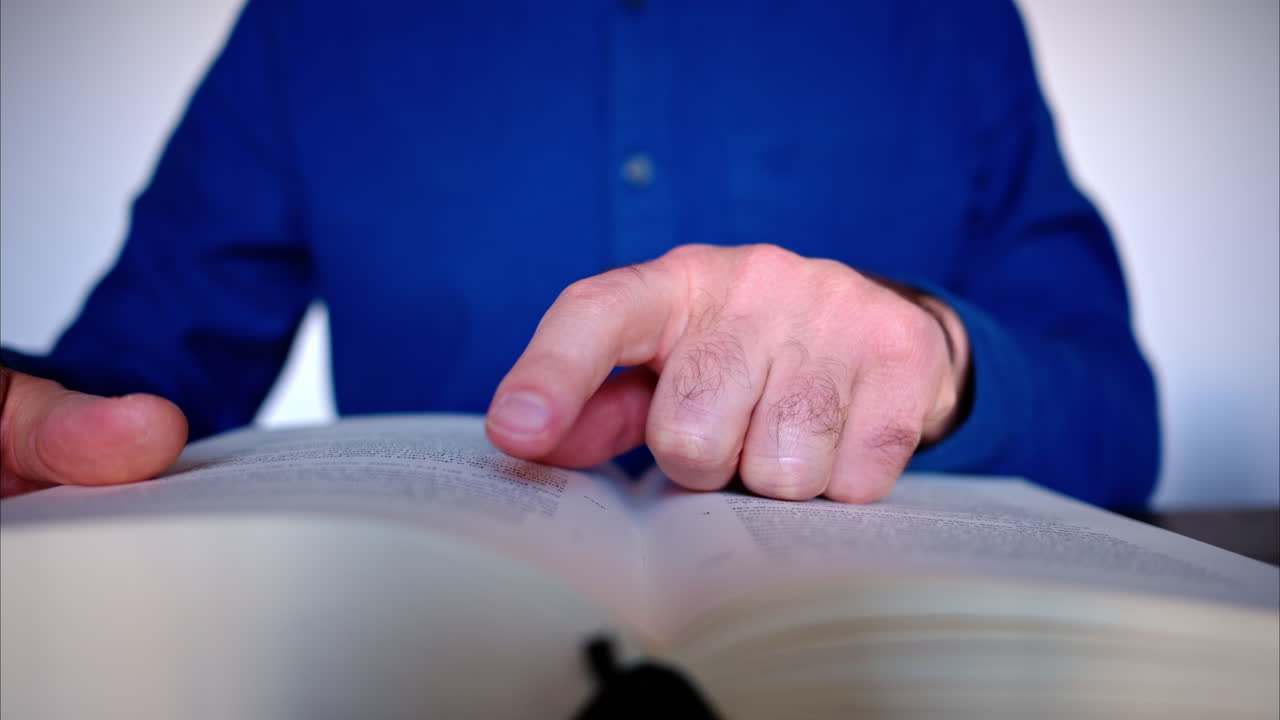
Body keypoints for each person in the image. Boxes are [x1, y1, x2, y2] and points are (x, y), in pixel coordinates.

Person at [0, 0, 1159, 507]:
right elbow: (120, 397)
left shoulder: (945, 15)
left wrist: (936, 355)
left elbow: (1113, 422)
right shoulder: (315, 18)